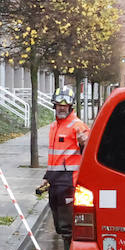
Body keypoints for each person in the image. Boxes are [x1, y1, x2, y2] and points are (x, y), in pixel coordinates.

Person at [39, 84, 90, 241]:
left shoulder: (78, 126)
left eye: (65, 105)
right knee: (60, 228)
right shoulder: (54, 126)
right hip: (55, 182)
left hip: (69, 182)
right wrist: (47, 177)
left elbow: (90, 151)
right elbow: (55, 156)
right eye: (59, 105)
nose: (62, 108)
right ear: (54, 105)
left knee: (68, 229)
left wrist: (85, 143)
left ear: (70, 106)